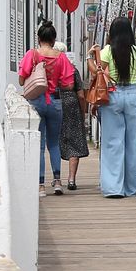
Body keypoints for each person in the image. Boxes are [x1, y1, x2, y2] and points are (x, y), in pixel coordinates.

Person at [91, 17, 136, 198]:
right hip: (133, 95)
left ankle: (114, 188)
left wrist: (90, 58)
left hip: (113, 95)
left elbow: (98, 74)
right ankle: (131, 188)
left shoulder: (107, 51)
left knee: (113, 142)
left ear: (112, 33)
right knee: (132, 143)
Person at [19, 22, 78, 195]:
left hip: (36, 102)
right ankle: (58, 181)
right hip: (55, 102)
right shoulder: (61, 57)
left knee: (39, 144)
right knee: (54, 143)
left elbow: (21, 80)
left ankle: (40, 185)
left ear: (38, 38)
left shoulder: (32, 54)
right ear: (53, 40)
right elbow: (69, 85)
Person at [59, 34, 91, 190]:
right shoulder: (72, 69)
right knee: (74, 142)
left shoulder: (48, 69)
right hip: (72, 105)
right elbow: (81, 95)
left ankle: (56, 179)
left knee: (54, 143)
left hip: (55, 103)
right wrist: (83, 112)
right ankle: (71, 179)